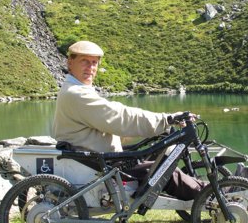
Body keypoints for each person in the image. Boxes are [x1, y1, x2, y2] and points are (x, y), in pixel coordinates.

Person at [53, 40, 203, 200]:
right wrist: (165, 119)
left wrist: (160, 126)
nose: (91, 68)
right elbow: (120, 117)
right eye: (85, 61)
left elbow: (108, 124)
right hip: (103, 166)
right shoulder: (76, 94)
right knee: (165, 169)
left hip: (102, 160)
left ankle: (207, 190)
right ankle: (211, 194)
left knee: (161, 154)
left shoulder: (75, 89)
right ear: (70, 62)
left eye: (94, 63)